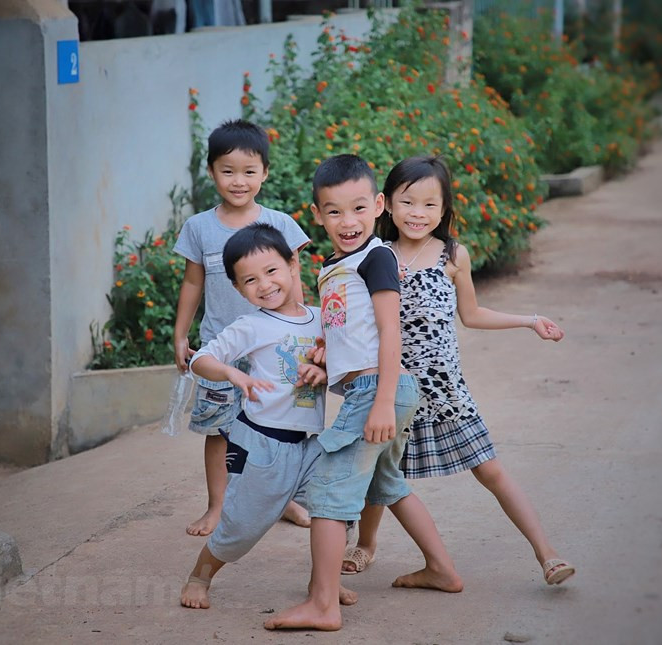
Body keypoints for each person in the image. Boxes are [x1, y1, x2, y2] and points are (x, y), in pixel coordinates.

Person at [340, 155, 575, 586]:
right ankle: (367, 546)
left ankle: (548, 554)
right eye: (408, 202)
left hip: (447, 391)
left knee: (491, 470)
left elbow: (472, 313)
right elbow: (352, 322)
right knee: (381, 473)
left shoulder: (453, 254)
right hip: (394, 390)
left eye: (431, 205)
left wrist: (528, 320)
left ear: (445, 209)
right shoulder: (375, 256)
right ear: (387, 204)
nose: (418, 213)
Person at [264, 155, 462, 633]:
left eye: (357, 208)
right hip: (374, 388)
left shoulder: (376, 257)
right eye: (333, 211)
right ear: (316, 214)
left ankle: (322, 603)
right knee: (385, 485)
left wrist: (378, 401)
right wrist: (324, 361)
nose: (346, 221)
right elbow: (350, 331)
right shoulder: (337, 264)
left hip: (380, 390)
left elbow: (390, 332)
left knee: (328, 490)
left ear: (378, 206)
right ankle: (442, 570)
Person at [180, 223, 346, 610]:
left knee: (335, 507)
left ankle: (322, 585)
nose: (265, 284)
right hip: (261, 444)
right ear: (239, 290)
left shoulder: (322, 317)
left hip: (307, 443)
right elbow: (201, 360)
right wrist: (233, 373)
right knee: (241, 527)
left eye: (271, 271)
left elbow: (345, 358)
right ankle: (199, 577)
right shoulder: (252, 325)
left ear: (292, 264)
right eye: (250, 280)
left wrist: (325, 369)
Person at [172, 119, 311, 537]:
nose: (238, 181)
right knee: (219, 431)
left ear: (265, 172)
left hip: (275, 348)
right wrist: (181, 335)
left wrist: (304, 333)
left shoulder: (281, 224)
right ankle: (218, 507)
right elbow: (193, 282)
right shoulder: (199, 227)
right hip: (222, 349)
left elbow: (296, 280)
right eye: (227, 171)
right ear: (212, 171)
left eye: (249, 171)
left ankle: (282, 499)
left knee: (280, 428)